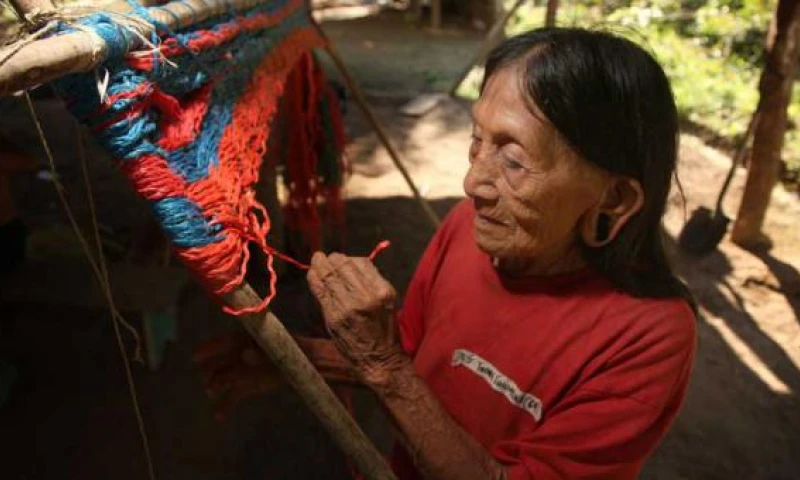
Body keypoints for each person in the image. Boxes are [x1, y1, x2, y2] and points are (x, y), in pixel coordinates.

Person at [197, 27, 697, 480]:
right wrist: (299, 361)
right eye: (477, 141)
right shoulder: (470, 228)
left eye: (515, 160)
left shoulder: (648, 336)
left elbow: (397, 369)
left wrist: (382, 363)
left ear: (613, 199)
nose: (473, 183)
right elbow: (420, 360)